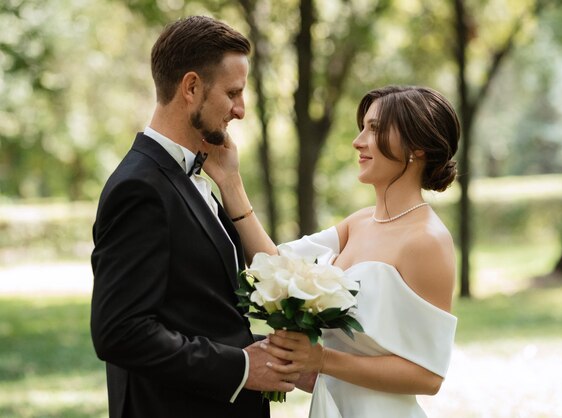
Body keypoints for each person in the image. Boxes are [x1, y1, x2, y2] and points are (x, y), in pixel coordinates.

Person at [90, 16, 307, 418]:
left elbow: (199, 311)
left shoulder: (196, 174)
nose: (240, 110)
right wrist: (242, 367)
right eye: (233, 93)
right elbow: (119, 332)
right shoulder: (139, 189)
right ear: (191, 87)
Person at [201, 85, 460, 417]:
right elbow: (276, 266)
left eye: (375, 129)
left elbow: (428, 375)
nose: (359, 140)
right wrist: (230, 181)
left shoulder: (428, 241)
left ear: (418, 148)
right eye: (362, 127)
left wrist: (322, 359)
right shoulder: (360, 222)